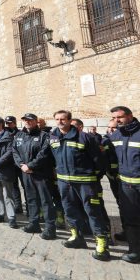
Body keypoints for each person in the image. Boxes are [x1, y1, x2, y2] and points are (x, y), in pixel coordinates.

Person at [50, 110, 109, 261]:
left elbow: (99, 160)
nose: (60, 122)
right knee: (70, 210)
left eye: (63, 119)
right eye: (57, 119)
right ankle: (77, 237)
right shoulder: (53, 137)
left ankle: (102, 244)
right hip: (64, 183)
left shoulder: (85, 138)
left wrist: (94, 177)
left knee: (92, 211)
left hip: (85, 183)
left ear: (70, 120)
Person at [12, 113, 56, 239]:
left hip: (41, 174)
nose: (27, 122)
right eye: (25, 120)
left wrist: (30, 166)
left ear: (36, 121)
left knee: (46, 201)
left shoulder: (44, 136)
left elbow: (44, 154)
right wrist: (21, 165)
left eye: (30, 120)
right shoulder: (19, 135)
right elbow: (14, 151)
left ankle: (50, 228)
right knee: (31, 199)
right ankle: (34, 223)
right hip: (26, 173)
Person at [109, 106, 140, 263]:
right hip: (126, 185)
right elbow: (107, 151)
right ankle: (135, 251)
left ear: (130, 116)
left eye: (119, 117)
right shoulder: (116, 134)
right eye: (114, 118)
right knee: (130, 217)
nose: (117, 121)